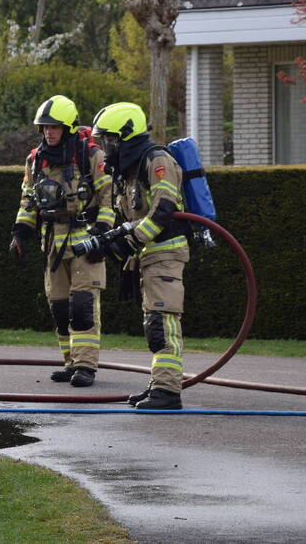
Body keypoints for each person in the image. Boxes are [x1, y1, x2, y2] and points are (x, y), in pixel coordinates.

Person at [9, 95, 115, 387]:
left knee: (82, 306)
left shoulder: (90, 155)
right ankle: (70, 362)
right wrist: (20, 232)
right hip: (53, 245)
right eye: (44, 128)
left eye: (54, 127)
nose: (48, 132)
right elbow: (28, 200)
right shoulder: (35, 159)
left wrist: (102, 233)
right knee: (59, 307)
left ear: (67, 128)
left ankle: (85, 366)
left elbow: (109, 196)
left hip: (86, 244)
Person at [90, 102, 189, 410]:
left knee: (163, 322)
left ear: (127, 136)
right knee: (154, 322)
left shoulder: (157, 160)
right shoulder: (132, 170)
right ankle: (158, 385)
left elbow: (163, 210)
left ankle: (168, 392)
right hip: (150, 256)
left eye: (111, 139)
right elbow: (133, 217)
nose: (108, 147)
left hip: (167, 253)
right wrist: (112, 239)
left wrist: (131, 241)